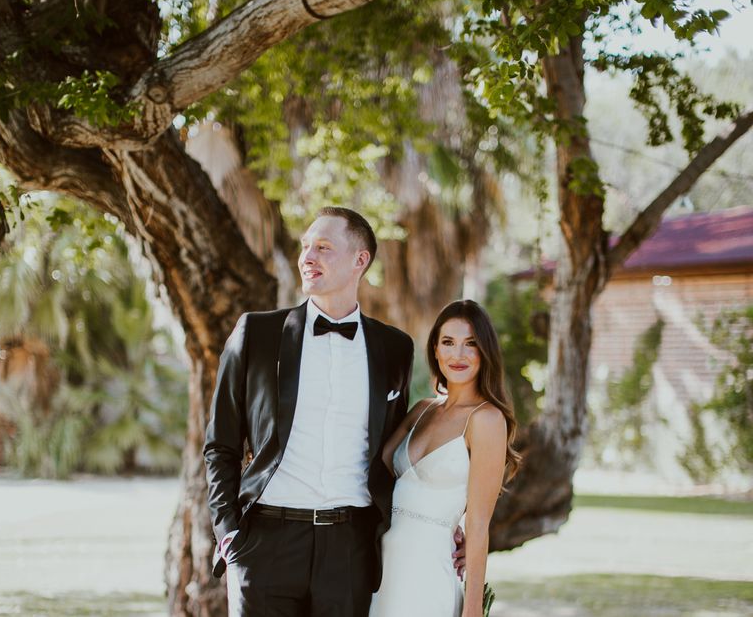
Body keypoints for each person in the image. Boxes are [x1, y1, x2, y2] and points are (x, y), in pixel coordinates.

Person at [203, 206, 463, 617]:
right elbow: (220, 444)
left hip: (351, 547)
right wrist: (228, 530)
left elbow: (396, 456)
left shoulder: (394, 348)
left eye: (323, 247)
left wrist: (445, 523)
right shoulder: (257, 334)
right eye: (305, 247)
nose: (307, 257)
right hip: (265, 543)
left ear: (361, 260)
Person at [368, 299, 521, 617]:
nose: (458, 355)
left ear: (485, 352)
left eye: (471, 344)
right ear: (435, 350)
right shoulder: (422, 409)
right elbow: (379, 468)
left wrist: (474, 608)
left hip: (430, 572)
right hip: (382, 568)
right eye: (448, 342)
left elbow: (478, 524)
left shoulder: (487, 420)